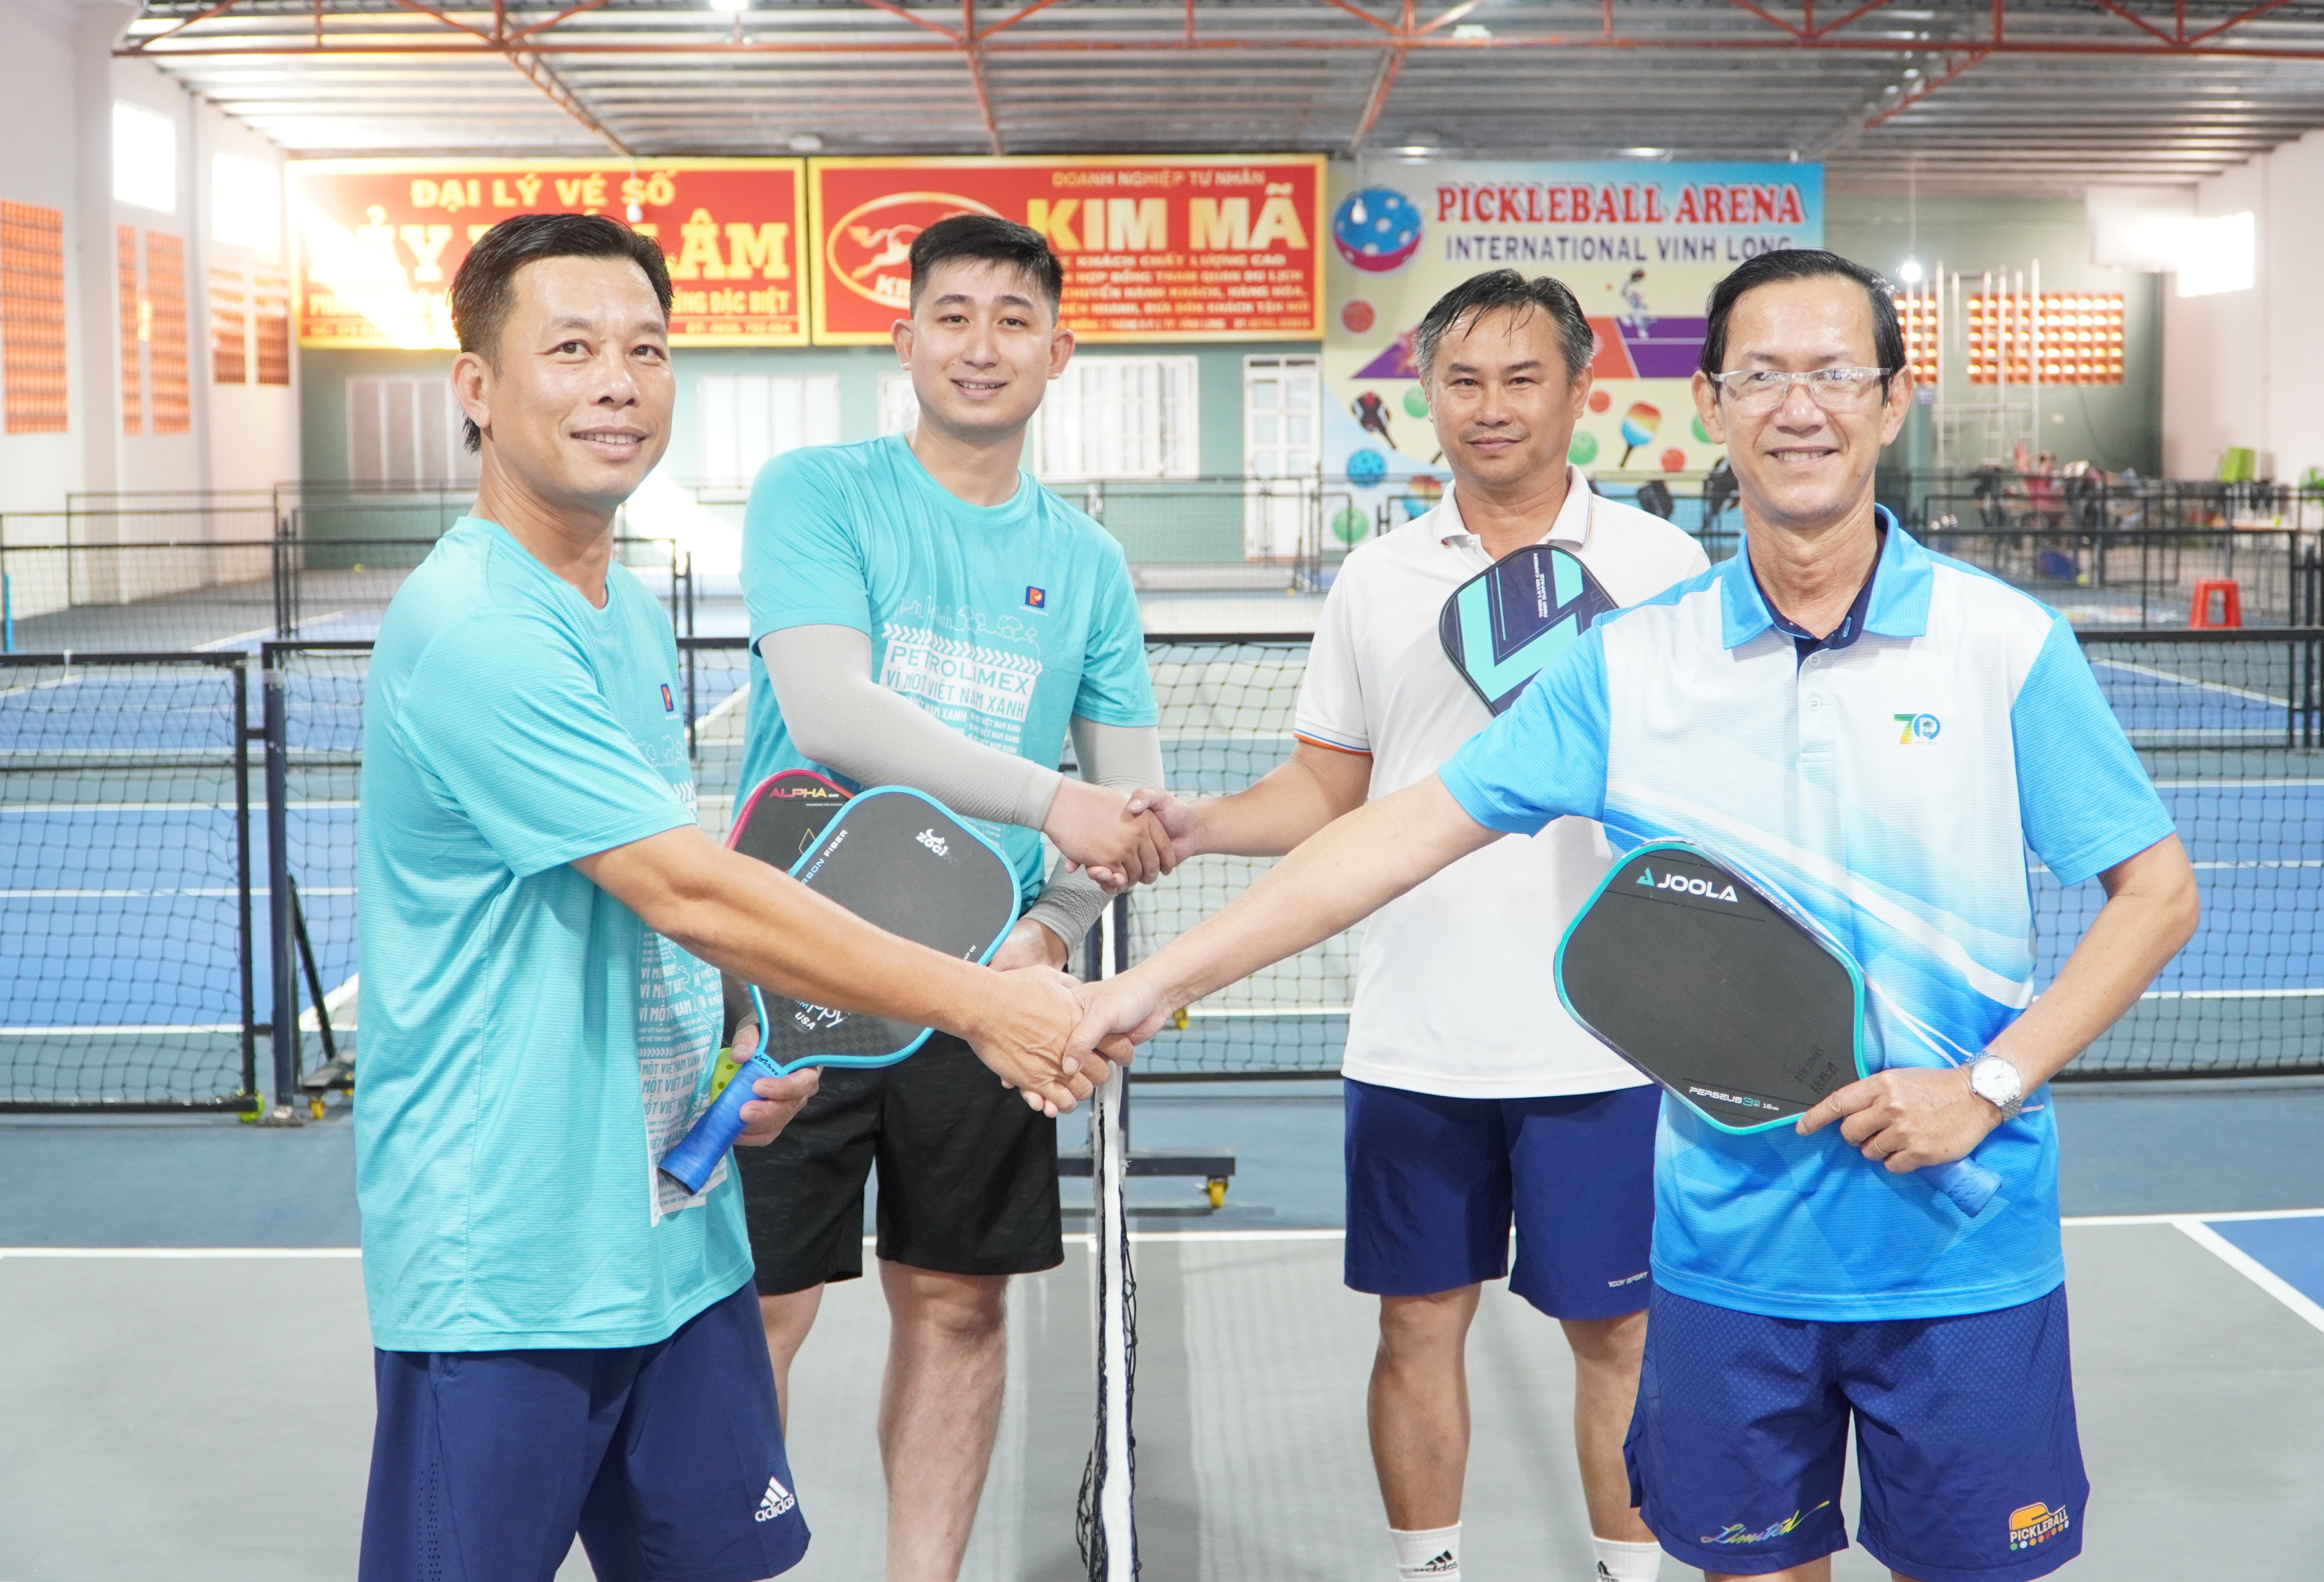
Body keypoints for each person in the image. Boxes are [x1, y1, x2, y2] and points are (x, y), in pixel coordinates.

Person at [1076, 249, 2200, 1582]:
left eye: (1835, 374)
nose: (1799, 408)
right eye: (1761, 377)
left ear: (1892, 401)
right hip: (1727, 1254)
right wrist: (1146, 985)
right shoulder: (1628, 664)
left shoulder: (2001, 643)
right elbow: (1387, 836)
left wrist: (1987, 1083)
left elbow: (2156, 893)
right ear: (1710, 404)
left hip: (1959, 1247)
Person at [354, 213, 1109, 1582]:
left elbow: (650, 910)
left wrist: (732, 1038)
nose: (617, 384)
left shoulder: (628, 613)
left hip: (670, 1235)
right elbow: (683, 886)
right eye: (570, 350)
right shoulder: (476, 626)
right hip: (509, 1260)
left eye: (646, 350)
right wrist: (983, 1002)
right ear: (478, 388)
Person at [1121, 270, 1703, 1582]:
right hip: (1415, 1037)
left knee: (1619, 1338)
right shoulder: (1378, 578)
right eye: (1463, 381)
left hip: (1607, 1040)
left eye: (1521, 378)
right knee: (1415, 1327)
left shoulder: (1664, 569)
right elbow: (1328, 790)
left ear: (1578, 389)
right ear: (1427, 397)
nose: (1491, 407)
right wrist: (1198, 824)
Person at [729, 213, 1174, 1580]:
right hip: (790, 961)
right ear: (905, 338)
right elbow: (831, 712)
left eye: (1013, 320)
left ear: (1058, 353)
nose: (982, 346)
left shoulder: (1086, 564)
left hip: (987, 994)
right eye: (953, 315)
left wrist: (1045, 938)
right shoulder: (815, 492)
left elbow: (1129, 810)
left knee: (960, 1305)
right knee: (757, 1312)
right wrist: (1048, 803)